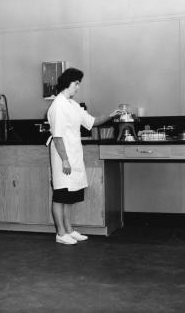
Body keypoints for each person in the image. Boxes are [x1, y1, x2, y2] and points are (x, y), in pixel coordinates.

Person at [47, 67, 120, 245]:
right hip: (62, 154)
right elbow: (57, 136)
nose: (78, 87)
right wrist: (65, 160)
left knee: (70, 195)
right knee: (60, 194)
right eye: (76, 83)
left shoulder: (72, 104)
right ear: (67, 83)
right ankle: (60, 233)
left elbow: (92, 121)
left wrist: (112, 115)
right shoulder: (57, 105)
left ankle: (69, 230)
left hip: (73, 153)